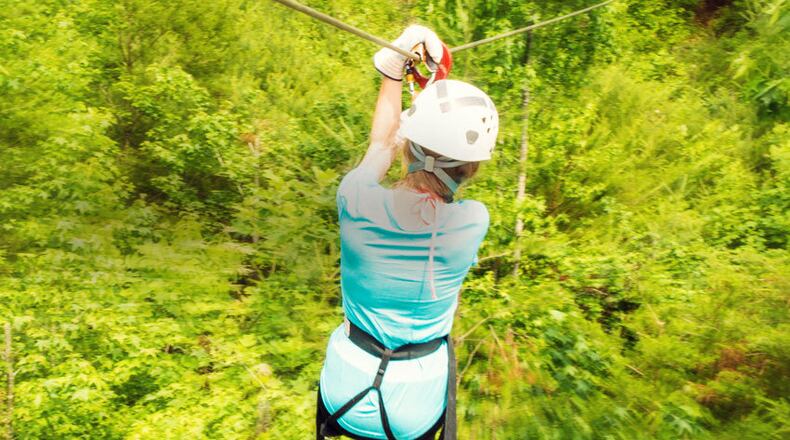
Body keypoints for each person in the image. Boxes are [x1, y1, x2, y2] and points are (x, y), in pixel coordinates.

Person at [316, 25, 499, 440]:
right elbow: (421, 165)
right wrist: (430, 99)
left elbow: (381, 144)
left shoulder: (356, 200)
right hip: (415, 408)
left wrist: (394, 71)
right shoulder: (471, 222)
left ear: (406, 147)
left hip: (343, 393)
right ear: (471, 169)